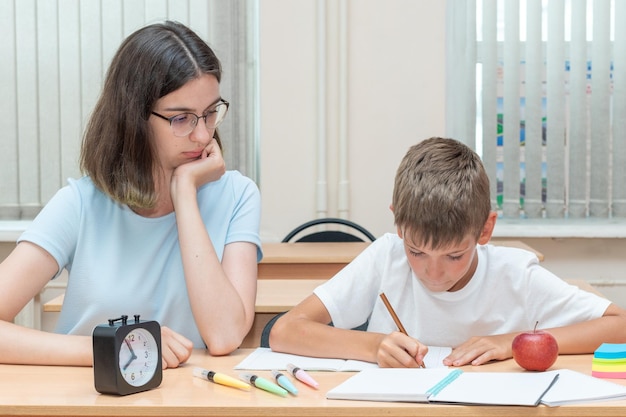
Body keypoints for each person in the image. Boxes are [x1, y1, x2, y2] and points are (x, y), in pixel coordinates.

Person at [0, 21, 261, 367]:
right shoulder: (80, 203)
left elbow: (224, 336)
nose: (202, 136)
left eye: (210, 113)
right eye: (181, 118)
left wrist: (184, 194)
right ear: (135, 117)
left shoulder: (238, 196)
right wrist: (112, 347)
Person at [269, 137, 626, 368]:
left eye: (454, 256)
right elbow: (285, 331)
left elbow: (619, 325)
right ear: (398, 224)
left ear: (485, 230)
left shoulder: (514, 274)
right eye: (417, 252)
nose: (433, 274)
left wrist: (509, 343)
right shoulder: (386, 257)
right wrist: (373, 345)